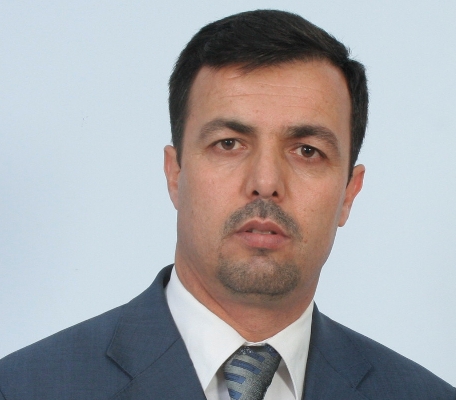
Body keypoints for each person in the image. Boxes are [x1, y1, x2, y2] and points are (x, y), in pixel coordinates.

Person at [0, 9, 454, 400]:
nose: (265, 183)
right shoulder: (23, 387)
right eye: (229, 143)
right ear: (175, 174)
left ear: (349, 194)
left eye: (307, 151)